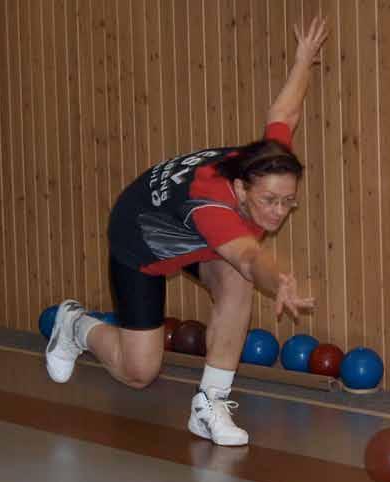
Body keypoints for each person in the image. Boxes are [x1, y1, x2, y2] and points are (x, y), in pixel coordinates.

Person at [46, 16, 329, 446]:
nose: (278, 212)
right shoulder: (214, 207)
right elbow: (251, 259)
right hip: (142, 240)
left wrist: (303, 59)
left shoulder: (270, 165)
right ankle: (75, 326)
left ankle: (209, 404)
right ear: (240, 188)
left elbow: (284, 113)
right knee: (138, 373)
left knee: (234, 285)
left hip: (190, 234)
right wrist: (280, 283)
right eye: (269, 201)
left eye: (288, 201)